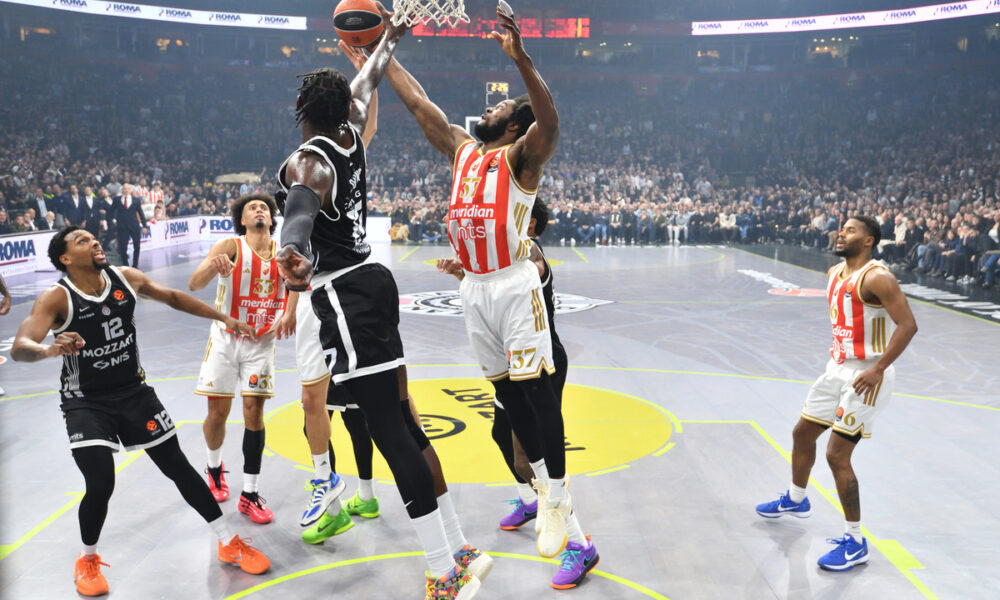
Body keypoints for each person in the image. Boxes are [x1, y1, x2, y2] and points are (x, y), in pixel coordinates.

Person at [274, 10, 481, 598]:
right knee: (404, 421)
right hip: (373, 282)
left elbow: (298, 214)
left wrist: (291, 250)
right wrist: (387, 37)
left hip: (345, 294)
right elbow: (366, 83)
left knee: (388, 429)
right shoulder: (350, 129)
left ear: (301, 110)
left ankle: (442, 570)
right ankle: (458, 546)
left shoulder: (308, 159)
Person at [385, 3, 591, 568]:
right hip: (475, 289)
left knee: (536, 393)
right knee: (507, 396)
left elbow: (551, 124)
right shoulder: (463, 151)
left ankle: (557, 495)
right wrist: (383, 52)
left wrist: (521, 59)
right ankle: (544, 488)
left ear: (514, 126)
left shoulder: (522, 159)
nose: (487, 109)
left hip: (513, 285)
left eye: (499, 107)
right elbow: (419, 104)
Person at [11, 227, 270, 597]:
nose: (94, 241)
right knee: (100, 482)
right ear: (65, 259)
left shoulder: (125, 278)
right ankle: (87, 559)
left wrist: (224, 318)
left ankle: (228, 542)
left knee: (178, 467)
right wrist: (49, 349)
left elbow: (174, 297)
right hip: (86, 401)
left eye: (93, 237)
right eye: (82, 241)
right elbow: (21, 346)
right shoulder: (57, 297)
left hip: (134, 392)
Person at [438, 198, 597, 589]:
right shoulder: (502, 261)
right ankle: (532, 499)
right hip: (510, 358)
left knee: (529, 454)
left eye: (513, 218)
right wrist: (466, 275)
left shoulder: (531, 258)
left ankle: (578, 542)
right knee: (500, 434)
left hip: (541, 360)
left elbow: (528, 270)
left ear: (530, 225)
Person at [755, 215, 918, 571]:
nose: (841, 233)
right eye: (841, 228)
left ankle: (855, 542)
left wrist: (878, 368)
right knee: (802, 433)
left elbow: (908, 325)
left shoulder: (877, 277)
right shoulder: (834, 272)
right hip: (837, 368)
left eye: (851, 230)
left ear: (869, 240)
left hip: (868, 375)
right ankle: (797, 498)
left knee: (836, 455)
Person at [188, 194, 295, 525]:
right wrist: (213, 265)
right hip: (225, 339)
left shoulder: (284, 252)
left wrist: (288, 314)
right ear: (243, 220)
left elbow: (296, 287)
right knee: (217, 414)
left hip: (261, 342)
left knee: (253, 412)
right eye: (252, 208)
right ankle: (214, 468)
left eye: (264, 207)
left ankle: (250, 493)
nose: (259, 209)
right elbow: (195, 284)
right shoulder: (230, 246)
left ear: (271, 218)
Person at [112, 183, 148, 267]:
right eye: (124, 189)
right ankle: (125, 265)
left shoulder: (136, 200)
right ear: (122, 190)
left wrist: (144, 225)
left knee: (137, 246)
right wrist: (113, 220)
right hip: (122, 227)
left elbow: (140, 213)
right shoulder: (116, 199)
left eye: (128, 189)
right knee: (123, 247)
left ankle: (135, 265)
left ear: (130, 190)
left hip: (134, 226)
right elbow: (111, 210)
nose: (126, 190)